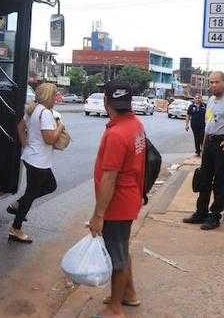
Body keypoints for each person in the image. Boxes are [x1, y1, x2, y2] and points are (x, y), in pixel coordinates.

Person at [88, 81, 146, 318]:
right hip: (131, 196)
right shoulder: (136, 124)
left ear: (105, 102)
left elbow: (109, 179)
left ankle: (115, 308)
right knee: (122, 247)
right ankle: (129, 294)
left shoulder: (116, 134)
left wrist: (98, 215)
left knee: (116, 256)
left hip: (117, 203)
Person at [183, 72, 224, 231]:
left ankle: (214, 216)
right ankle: (201, 213)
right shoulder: (212, 100)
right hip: (209, 143)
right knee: (204, 179)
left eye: (216, 82)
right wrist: (204, 145)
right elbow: (210, 123)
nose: (213, 85)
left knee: (220, 182)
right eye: (211, 82)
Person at [9, 83, 64, 242]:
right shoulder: (45, 113)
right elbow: (50, 139)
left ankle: (17, 205)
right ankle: (15, 228)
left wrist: (26, 144)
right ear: (48, 96)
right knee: (31, 194)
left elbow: (20, 128)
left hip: (32, 158)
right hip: (38, 161)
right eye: (54, 95)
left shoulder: (33, 110)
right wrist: (60, 126)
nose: (56, 98)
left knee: (50, 186)